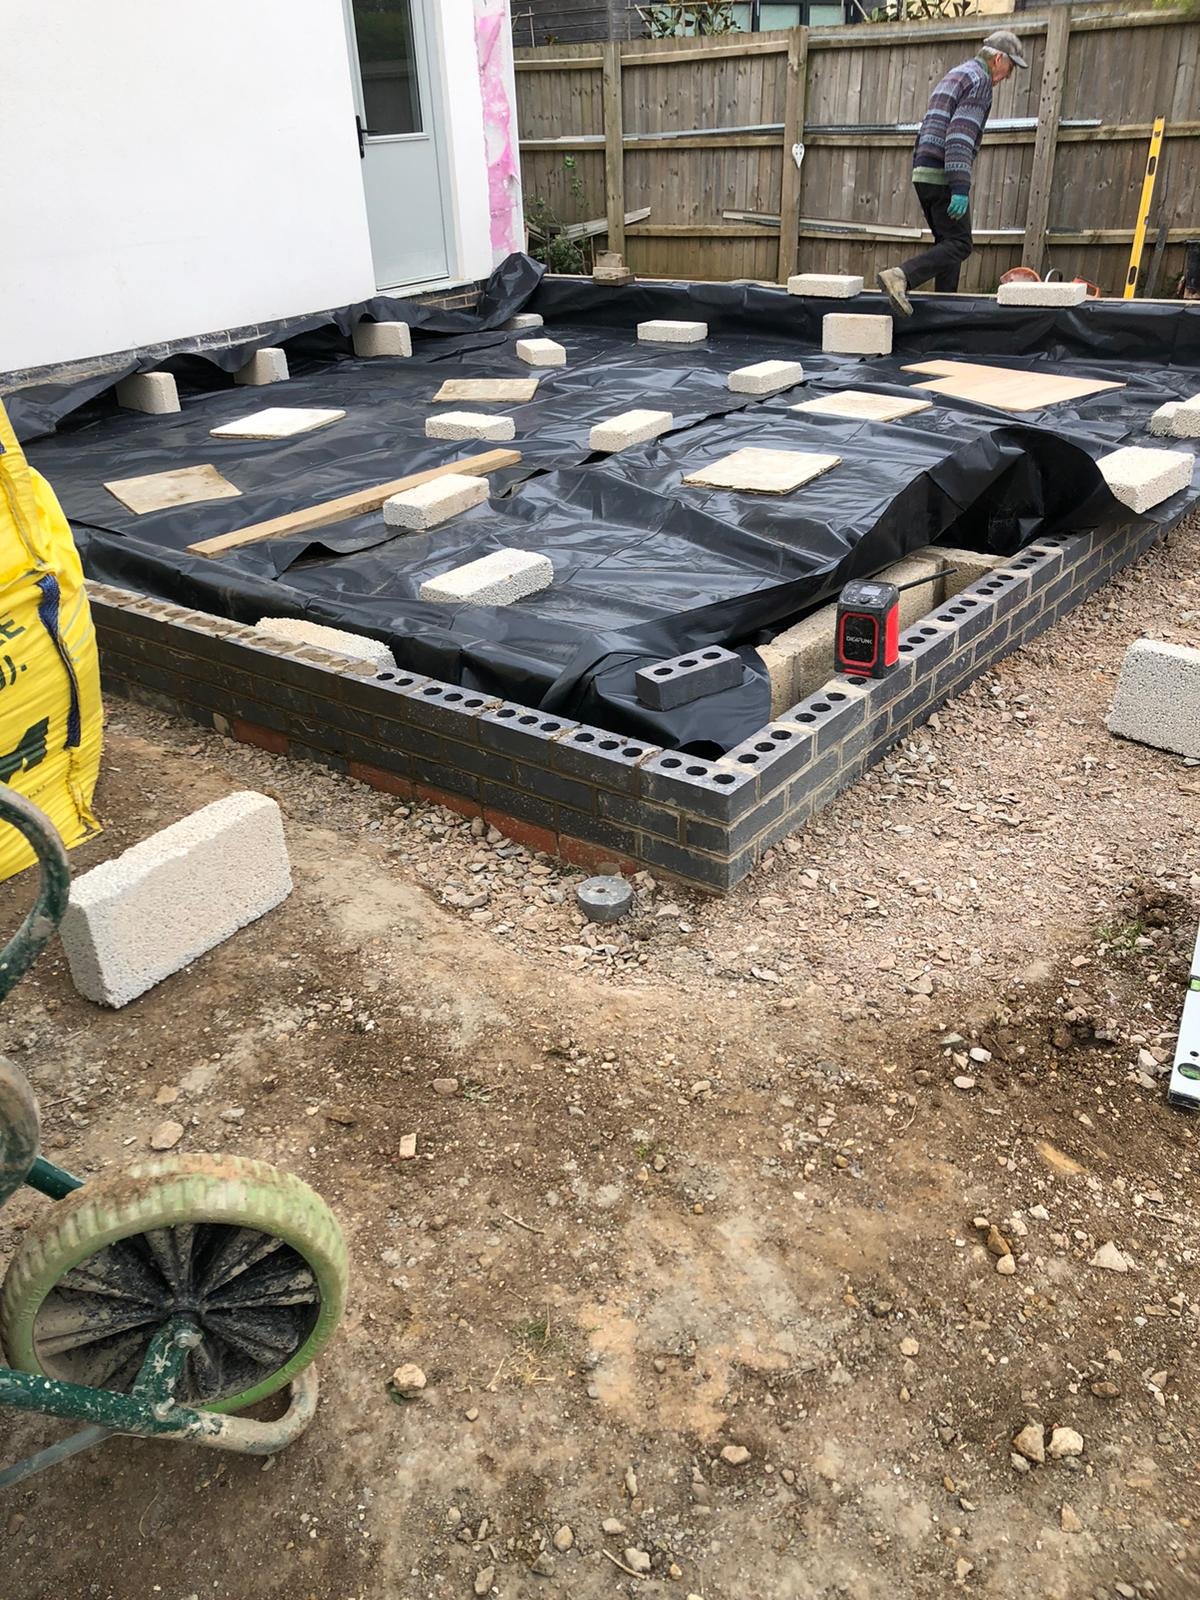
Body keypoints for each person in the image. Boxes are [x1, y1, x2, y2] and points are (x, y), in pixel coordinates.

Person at [877, 30, 1028, 315]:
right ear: (998, 59)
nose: (1008, 77)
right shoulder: (981, 82)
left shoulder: (957, 74)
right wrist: (960, 186)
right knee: (960, 244)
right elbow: (959, 135)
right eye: (1011, 68)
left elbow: (928, 127)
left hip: (924, 171)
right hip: (944, 173)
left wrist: (920, 170)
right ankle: (901, 276)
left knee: (947, 245)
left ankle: (944, 314)